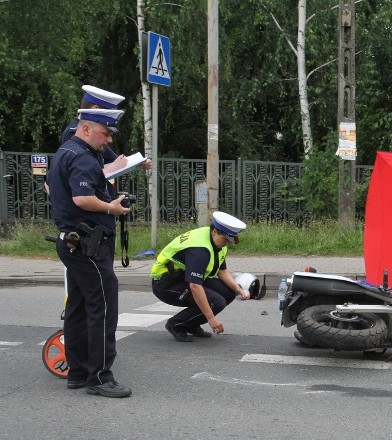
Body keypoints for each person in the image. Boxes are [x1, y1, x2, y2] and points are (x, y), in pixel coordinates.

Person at [47, 107, 133, 398]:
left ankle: (78, 371)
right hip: (87, 245)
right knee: (103, 307)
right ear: (86, 129)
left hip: (74, 241)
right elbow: (82, 197)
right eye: (105, 133)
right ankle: (99, 377)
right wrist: (112, 207)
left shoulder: (67, 151)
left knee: (79, 306)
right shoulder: (83, 156)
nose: (108, 140)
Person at [151, 212, 251, 342]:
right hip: (166, 284)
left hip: (184, 278)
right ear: (215, 232)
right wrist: (211, 318)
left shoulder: (216, 241)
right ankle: (176, 324)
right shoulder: (200, 250)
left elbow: (223, 271)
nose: (227, 244)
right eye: (225, 239)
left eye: (230, 240)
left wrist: (238, 289)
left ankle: (191, 324)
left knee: (229, 292)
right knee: (216, 302)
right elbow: (195, 286)